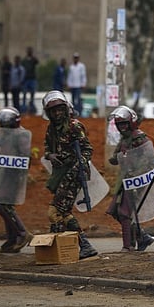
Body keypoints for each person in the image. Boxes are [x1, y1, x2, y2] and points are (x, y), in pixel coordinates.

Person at [42, 90, 97, 260]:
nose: (57, 113)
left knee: (55, 211)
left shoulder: (74, 126)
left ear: (65, 109)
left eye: (60, 109)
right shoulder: (51, 129)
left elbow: (88, 149)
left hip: (74, 174)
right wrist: (51, 156)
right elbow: (47, 149)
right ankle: (79, 246)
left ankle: (72, 245)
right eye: (53, 111)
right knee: (63, 212)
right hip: (59, 174)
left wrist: (79, 163)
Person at [105, 106, 154, 252]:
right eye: (119, 124)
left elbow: (149, 160)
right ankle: (142, 237)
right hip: (124, 180)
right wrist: (115, 158)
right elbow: (117, 157)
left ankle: (127, 246)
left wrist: (136, 171)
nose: (122, 127)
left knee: (125, 212)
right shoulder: (124, 139)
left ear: (131, 122)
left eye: (124, 124)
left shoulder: (140, 137)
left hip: (137, 181)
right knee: (115, 210)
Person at [0, 107, 33, 253]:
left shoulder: (20, 135)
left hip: (14, 176)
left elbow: (26, 157)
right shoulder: (5, 135)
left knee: (2, 205)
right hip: (5, 174)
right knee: (3, 204)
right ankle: (12, 239)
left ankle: (22, 233)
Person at [21, 46, 39, 114]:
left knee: (32, 93)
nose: (29, 52)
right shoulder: (24, 60)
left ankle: (31, 107)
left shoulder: (33, 60)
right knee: (24, 93)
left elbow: (37, 62)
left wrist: (33, 56)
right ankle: (24, 107)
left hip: (32, 79)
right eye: (29, 51)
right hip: (26, 79)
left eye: (30, 51)